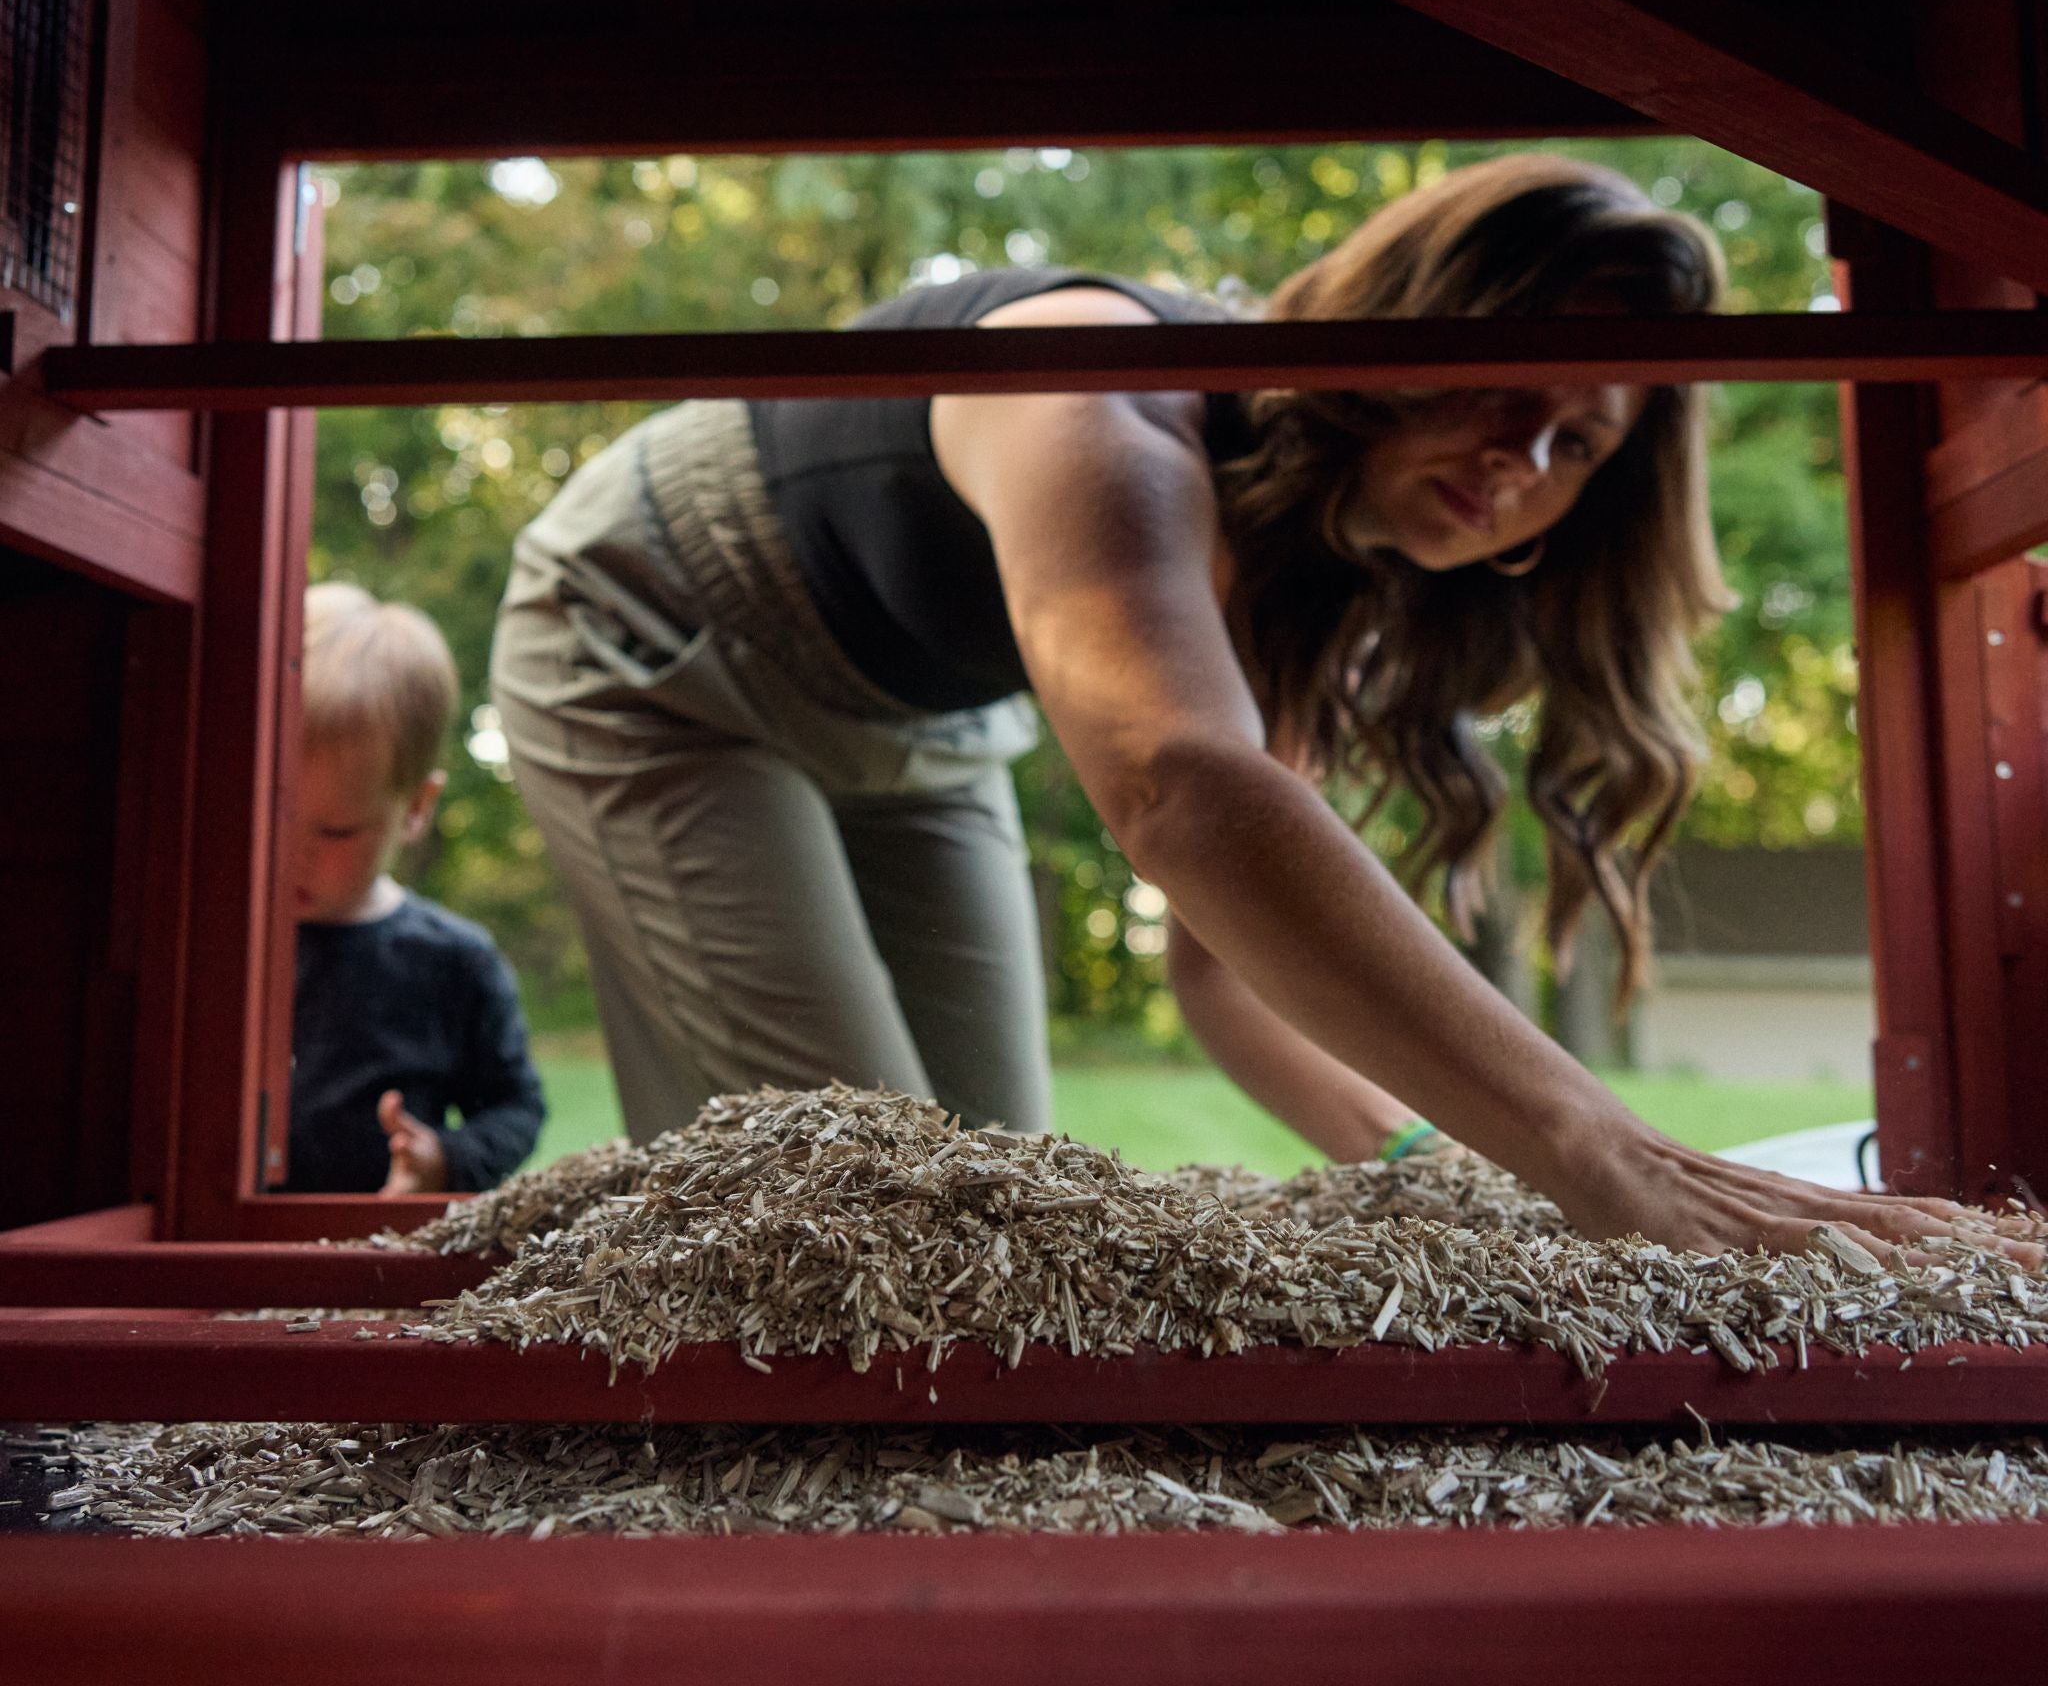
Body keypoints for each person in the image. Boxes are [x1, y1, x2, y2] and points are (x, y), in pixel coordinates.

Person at [491, 152, 2023, 1263]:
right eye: (1510, 383)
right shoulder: (1109, 390)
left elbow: (1224, 970)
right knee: (869, 1210)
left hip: (918, 729)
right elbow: (1176, 792)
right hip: (656, 640)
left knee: (1006, 1207)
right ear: (1412, 322)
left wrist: (1449, 1174)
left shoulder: (1323, 569)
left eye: (1577, 445)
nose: (1522, 458)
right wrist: (1603, 1155)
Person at [287, 581, 545, 1195]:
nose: (288, 858)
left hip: (379, 1269)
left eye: (332, 830)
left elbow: (517, 1109)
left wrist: (446, 1159)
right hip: (222, 1266)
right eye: (270, 817)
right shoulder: (215, 940)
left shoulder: (453, 961)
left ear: (415, 807)